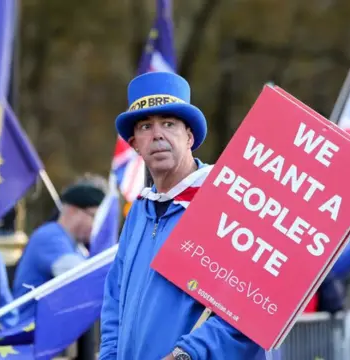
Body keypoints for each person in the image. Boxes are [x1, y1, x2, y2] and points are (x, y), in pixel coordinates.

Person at [99, 71, 268, 360]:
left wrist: (187, 355)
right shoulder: (139, 211)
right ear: (135, 143)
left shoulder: (226, 200)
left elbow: (252, 307)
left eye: (169, 124)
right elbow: (115, 300)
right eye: (145, 126)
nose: (158, 135)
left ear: (189, 136)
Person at [12, 176, 106, 322]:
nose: (96, 227)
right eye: (94, 217)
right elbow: (82, 278)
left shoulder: (76, 246)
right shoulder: (50, 236)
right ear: (73, 211)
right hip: (29, 334)